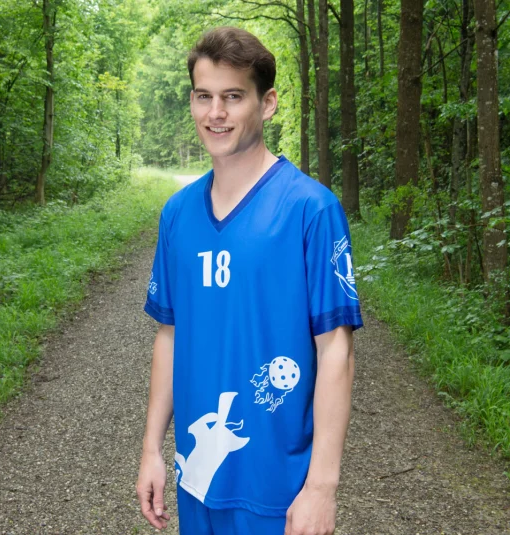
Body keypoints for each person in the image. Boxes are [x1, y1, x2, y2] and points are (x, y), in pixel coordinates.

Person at [136, 26, 363, 535]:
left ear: (268, 103)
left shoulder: (311, 209)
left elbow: (336, 350)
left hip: (280, 488)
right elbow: (169, 335)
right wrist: (152, 449)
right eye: (204, 96)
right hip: (197, 476)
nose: (215, 113)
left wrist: (322, 488)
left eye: (233, 97)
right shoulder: (177, 214)